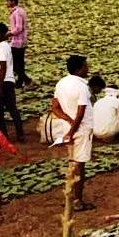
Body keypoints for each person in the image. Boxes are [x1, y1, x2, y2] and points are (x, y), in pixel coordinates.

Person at [51, 55, 94, 211]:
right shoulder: (82, 87)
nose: (87, 68)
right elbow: (81, 112)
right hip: (81, 130)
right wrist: (73, 129)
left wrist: (68, 121)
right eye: (85, 65)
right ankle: (78, 200)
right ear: (79, 69)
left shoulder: (61, 83)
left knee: (71, 162)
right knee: (80, 165)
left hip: (67, 128)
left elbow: (55, 107)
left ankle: (70, 196)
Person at [0, 23, 24, 141]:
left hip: (3, 81)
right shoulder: (6, 46)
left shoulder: (1, 47)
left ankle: (5, 137)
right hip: (8, 81)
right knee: (12, 109)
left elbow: (3, 65)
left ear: (4, 35)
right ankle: (20, 134)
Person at [5, 0, 32, 88]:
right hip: (19, 41)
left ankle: (27, 80)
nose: (6, 3)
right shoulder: (19, 11)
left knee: (14, 64)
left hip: (17, 42)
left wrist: (9, 34)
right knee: (20, 63)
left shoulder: (17, 13)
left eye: (8, 1)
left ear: (13, 1)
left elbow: (18, 28)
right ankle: (20, 82)